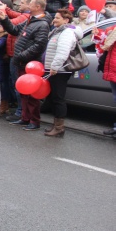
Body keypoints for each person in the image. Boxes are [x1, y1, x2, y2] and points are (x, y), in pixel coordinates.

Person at [0, 0, 51, 131]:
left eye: (31, 4)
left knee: (32, 94)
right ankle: (25, 117)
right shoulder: (30, 20)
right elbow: (14, 30)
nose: (28, 6)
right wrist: (4, 19)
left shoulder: (42, 24)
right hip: (22, 62)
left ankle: (34, 120)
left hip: (30, 64)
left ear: (38, 7)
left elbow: (39, 45)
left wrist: (21, 55)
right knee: (24, 92)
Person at [42, 9, 79, 137]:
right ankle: (56, 125)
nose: (54, 20)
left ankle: (59, 127)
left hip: (60, 70)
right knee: (54, 98)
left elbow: (63, 52)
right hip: (55, 69)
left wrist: (54, 66)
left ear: (66, 20)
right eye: (55, 17)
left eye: (57, 18)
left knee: (58, 98)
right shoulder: (58, 31)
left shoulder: (67, 32)